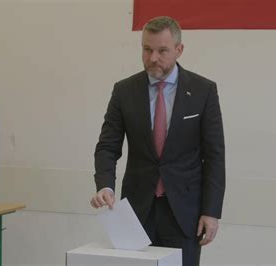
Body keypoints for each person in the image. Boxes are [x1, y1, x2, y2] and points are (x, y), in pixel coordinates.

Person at [90, 16, 225, 265]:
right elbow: (108, 146)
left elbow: (215, 156)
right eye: (147, 49)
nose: (153, 58)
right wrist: (105, 185)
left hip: (185, 214)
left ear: (179, 50)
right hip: (137, 213)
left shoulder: (203, 91)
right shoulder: (124, 91)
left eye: (162, 50)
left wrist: (211, 211)